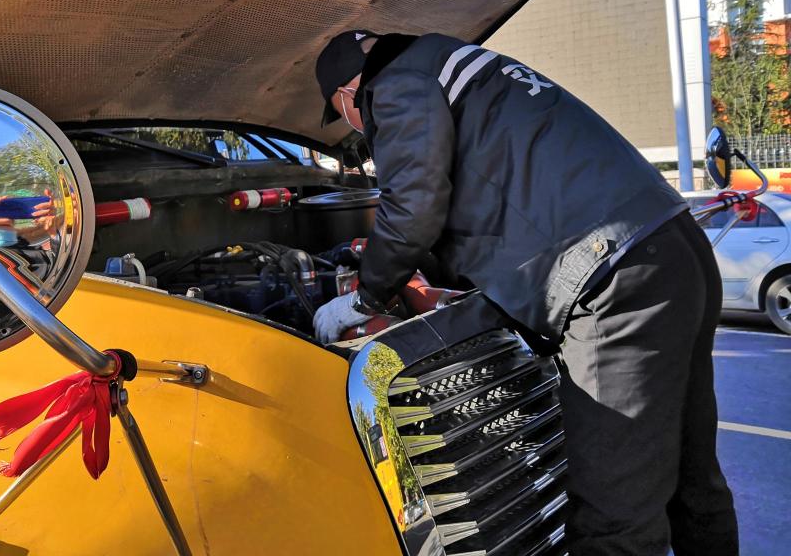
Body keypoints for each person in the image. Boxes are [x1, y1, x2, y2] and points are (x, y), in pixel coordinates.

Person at [313, 30, 739, 556]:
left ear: (350, 94)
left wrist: (365, 296)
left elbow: (413, 206)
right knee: (694, 482)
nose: (356, 127)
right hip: (672, 248)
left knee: (615, 518)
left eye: (346, 115)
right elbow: (497, 197)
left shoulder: (395, 84)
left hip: (615, 282)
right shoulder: (457, 63)